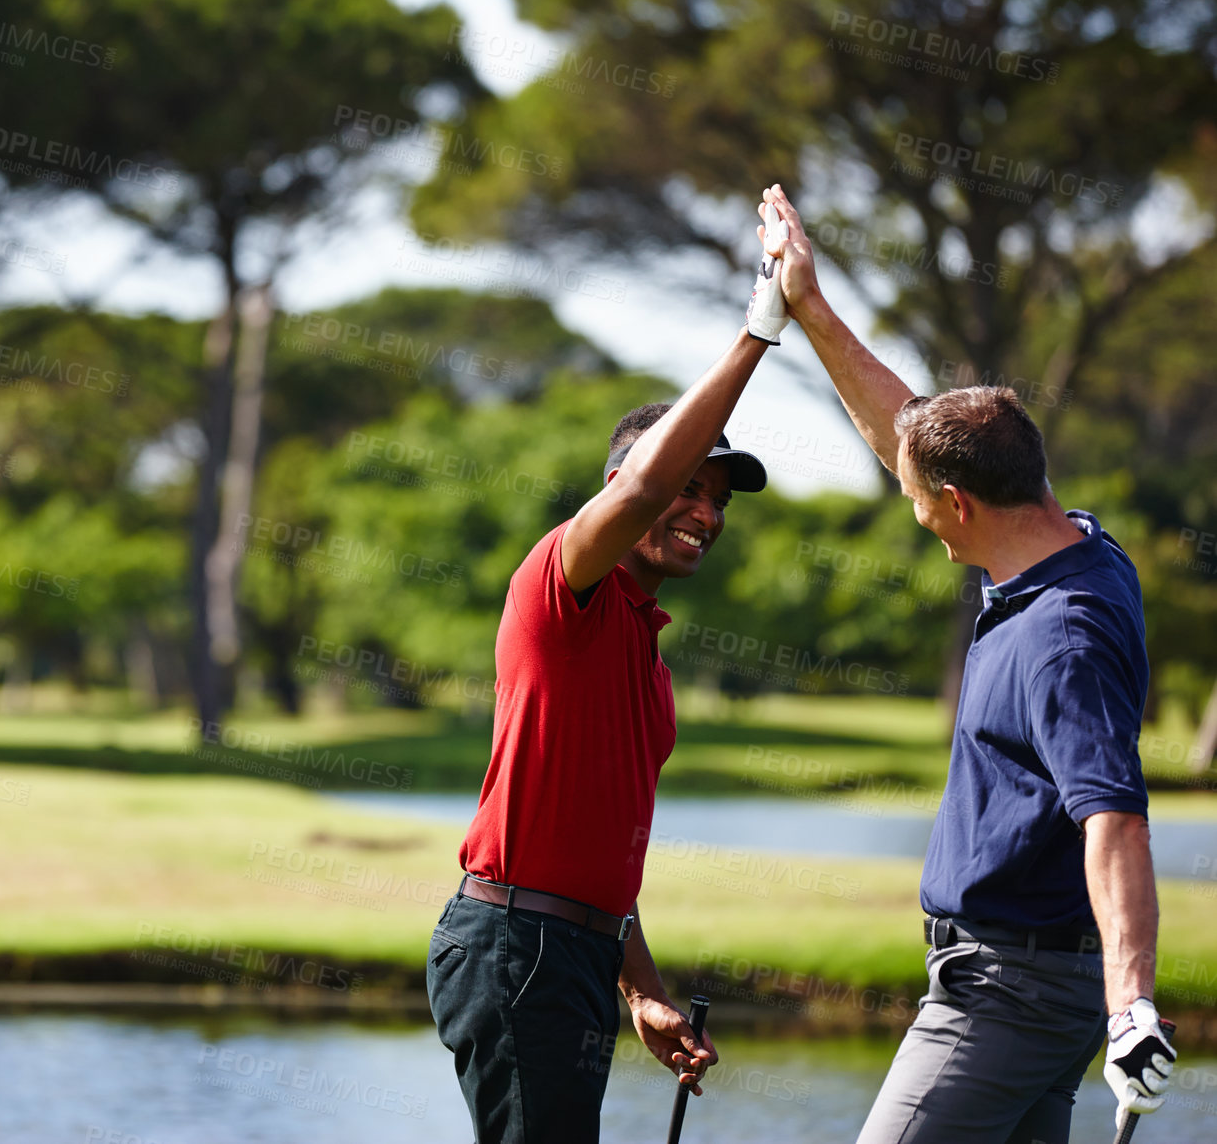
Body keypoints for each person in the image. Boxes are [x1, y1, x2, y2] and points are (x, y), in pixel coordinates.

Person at [758, 183, 1177, 1144]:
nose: (910, 509)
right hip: (1024, 980)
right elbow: (904, 432)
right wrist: (810, 308)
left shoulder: (1059, 636)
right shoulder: (1074, 543)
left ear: (958, 502)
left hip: (1010, 991)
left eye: (919, 500)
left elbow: (1115, 818)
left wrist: (1132, 1008)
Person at [426, 265, 787, 1141]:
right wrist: (761, 332)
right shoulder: (563, 585)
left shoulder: (648, 657)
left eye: (719, 498)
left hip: (577, 953)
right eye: (689, 486)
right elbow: (633, 495)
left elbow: (598, 856)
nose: (706, 512)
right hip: (517, 946)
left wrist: (643, 991)